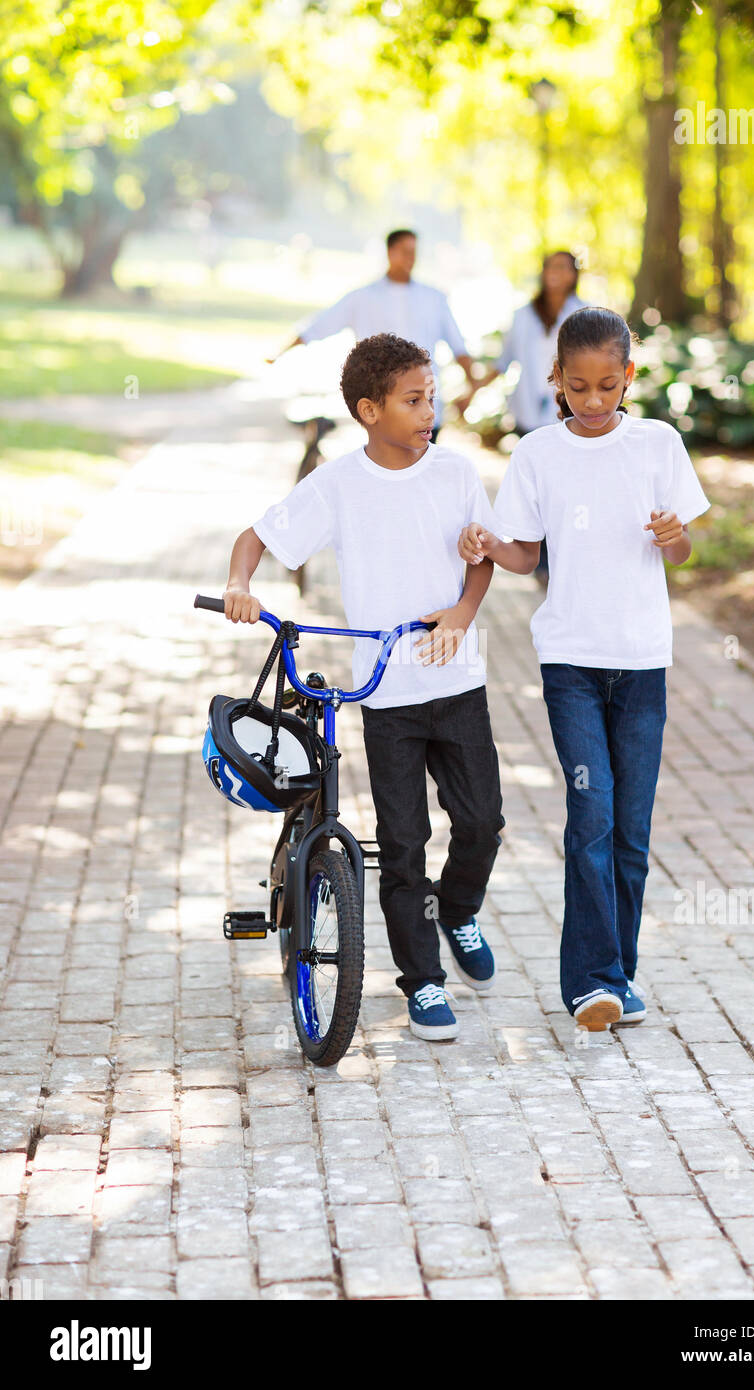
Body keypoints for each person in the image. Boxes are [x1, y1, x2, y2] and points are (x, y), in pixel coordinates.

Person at [223, 333, 505, 1041]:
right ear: (369, 409)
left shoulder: (455, 474)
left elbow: (482, 560)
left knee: (481, 823)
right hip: (387, 700)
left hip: (458, 680)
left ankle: (460, 910)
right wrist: (239, 585)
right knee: (403, 842)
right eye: (414, 401)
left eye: (432, 398)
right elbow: (257, 537)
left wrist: (465, 610)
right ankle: (424, 983)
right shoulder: (340, 484)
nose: (429, 411)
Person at [458, 306, 710, 1034]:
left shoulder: (658, 443)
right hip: (570, 660)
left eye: (607, 385)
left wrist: (676, 538)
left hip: (641, 665)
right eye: (577, 388)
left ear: (629, 376)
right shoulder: (539, 454)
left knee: (631, 830)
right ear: (555, 382)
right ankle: (590, 981)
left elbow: (683, 551)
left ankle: (620, 975)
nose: (594, 402)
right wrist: (486, 543)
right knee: (591, 816)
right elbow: (524, 553)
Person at [266, 229, 479, 440]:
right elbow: (318, 326)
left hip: (425, 408)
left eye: (413, 252)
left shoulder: (434, 299)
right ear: (389, 252)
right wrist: (279, 352)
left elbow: (458, 347)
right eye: (404, 251)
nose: (410, 258)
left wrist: (471, 388)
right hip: (381, 407)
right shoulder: (363, 297)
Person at [459, 250, 587, 580]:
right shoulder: (523, 316)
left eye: (563, 267)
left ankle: (566, 552)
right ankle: (540, 557)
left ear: (574, 275)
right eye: (550, 267)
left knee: (564, 488)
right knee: (537, 490)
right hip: (530, 415)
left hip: (570, 416)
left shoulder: (583, 315)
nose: (556, 273)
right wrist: (472, 391)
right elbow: (505, 363)